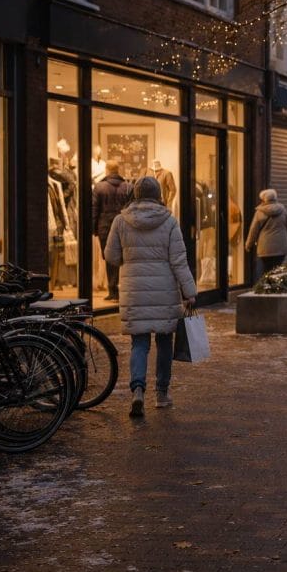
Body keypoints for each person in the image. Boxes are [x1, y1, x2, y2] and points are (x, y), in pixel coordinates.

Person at [104, 176, 196, 417]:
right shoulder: (169, 221)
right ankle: (162, 393)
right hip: (164, 291)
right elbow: (179, 260)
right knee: (164, 342)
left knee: (139, 343)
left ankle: (137, 391)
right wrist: (190, 291)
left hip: (134, 290)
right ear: (158, 195)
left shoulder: (120, 221)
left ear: (135, 194)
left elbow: (111, 257)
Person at [91, 160, 133, 301]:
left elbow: (94, 210)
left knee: (110, 258)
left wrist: (93, 229)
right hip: (125, 225)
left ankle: (113, 290)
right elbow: (132, 209)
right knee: (126, 257)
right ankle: (125, 290)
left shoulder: (99, 187)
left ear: (107, 170)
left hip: (105, 227)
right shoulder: (128, 187)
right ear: (118, 169)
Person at [245, 189, 287, 273]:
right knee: (277, 270)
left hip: (265, 248)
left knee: (266, 270)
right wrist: (285, 236)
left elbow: (253, 230)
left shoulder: (259, 212)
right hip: (281, 246)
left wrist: (249, 244)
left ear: (263, 199)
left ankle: (268, 285)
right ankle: (276, 285)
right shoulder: (283, 210)